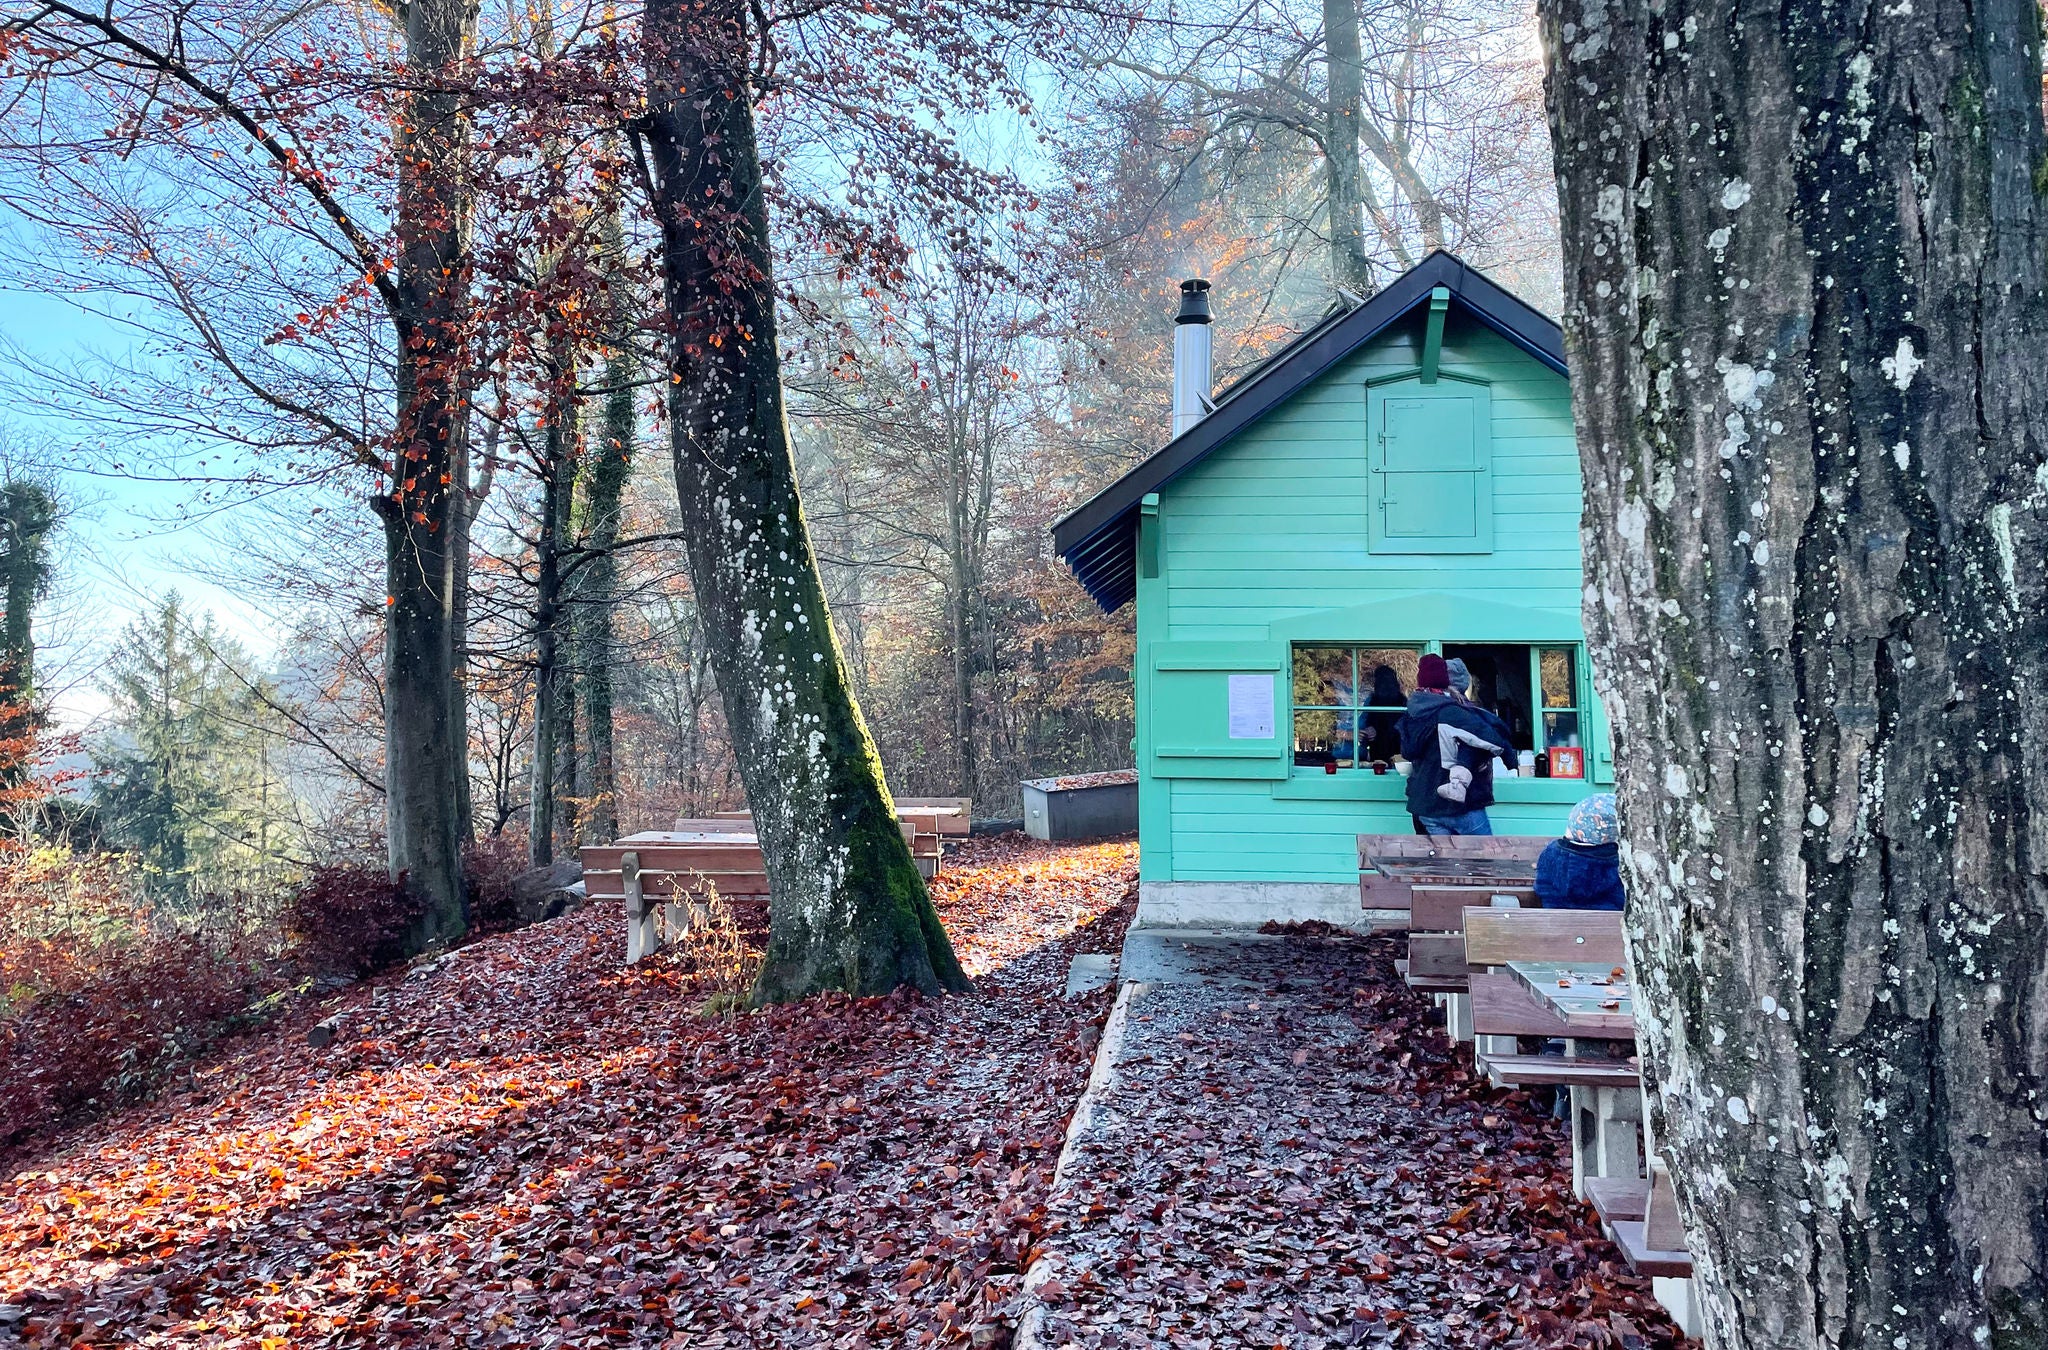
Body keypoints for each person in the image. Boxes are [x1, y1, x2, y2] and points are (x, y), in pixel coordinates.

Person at [1397, 654, 1516, 836]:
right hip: (1458, 807)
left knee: (1445, 864)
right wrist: (1511, 760)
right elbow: (1493, 739)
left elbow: (1407, 751)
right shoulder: (1451, 713)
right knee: (1483, 860)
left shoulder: (1411, 714)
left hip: (1424, 805)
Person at [1535, 792, 1626, 910]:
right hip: (1609, 926)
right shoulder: (1617, 863)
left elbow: (1541, 888)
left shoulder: (1551, 854)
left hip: (1553, 925)